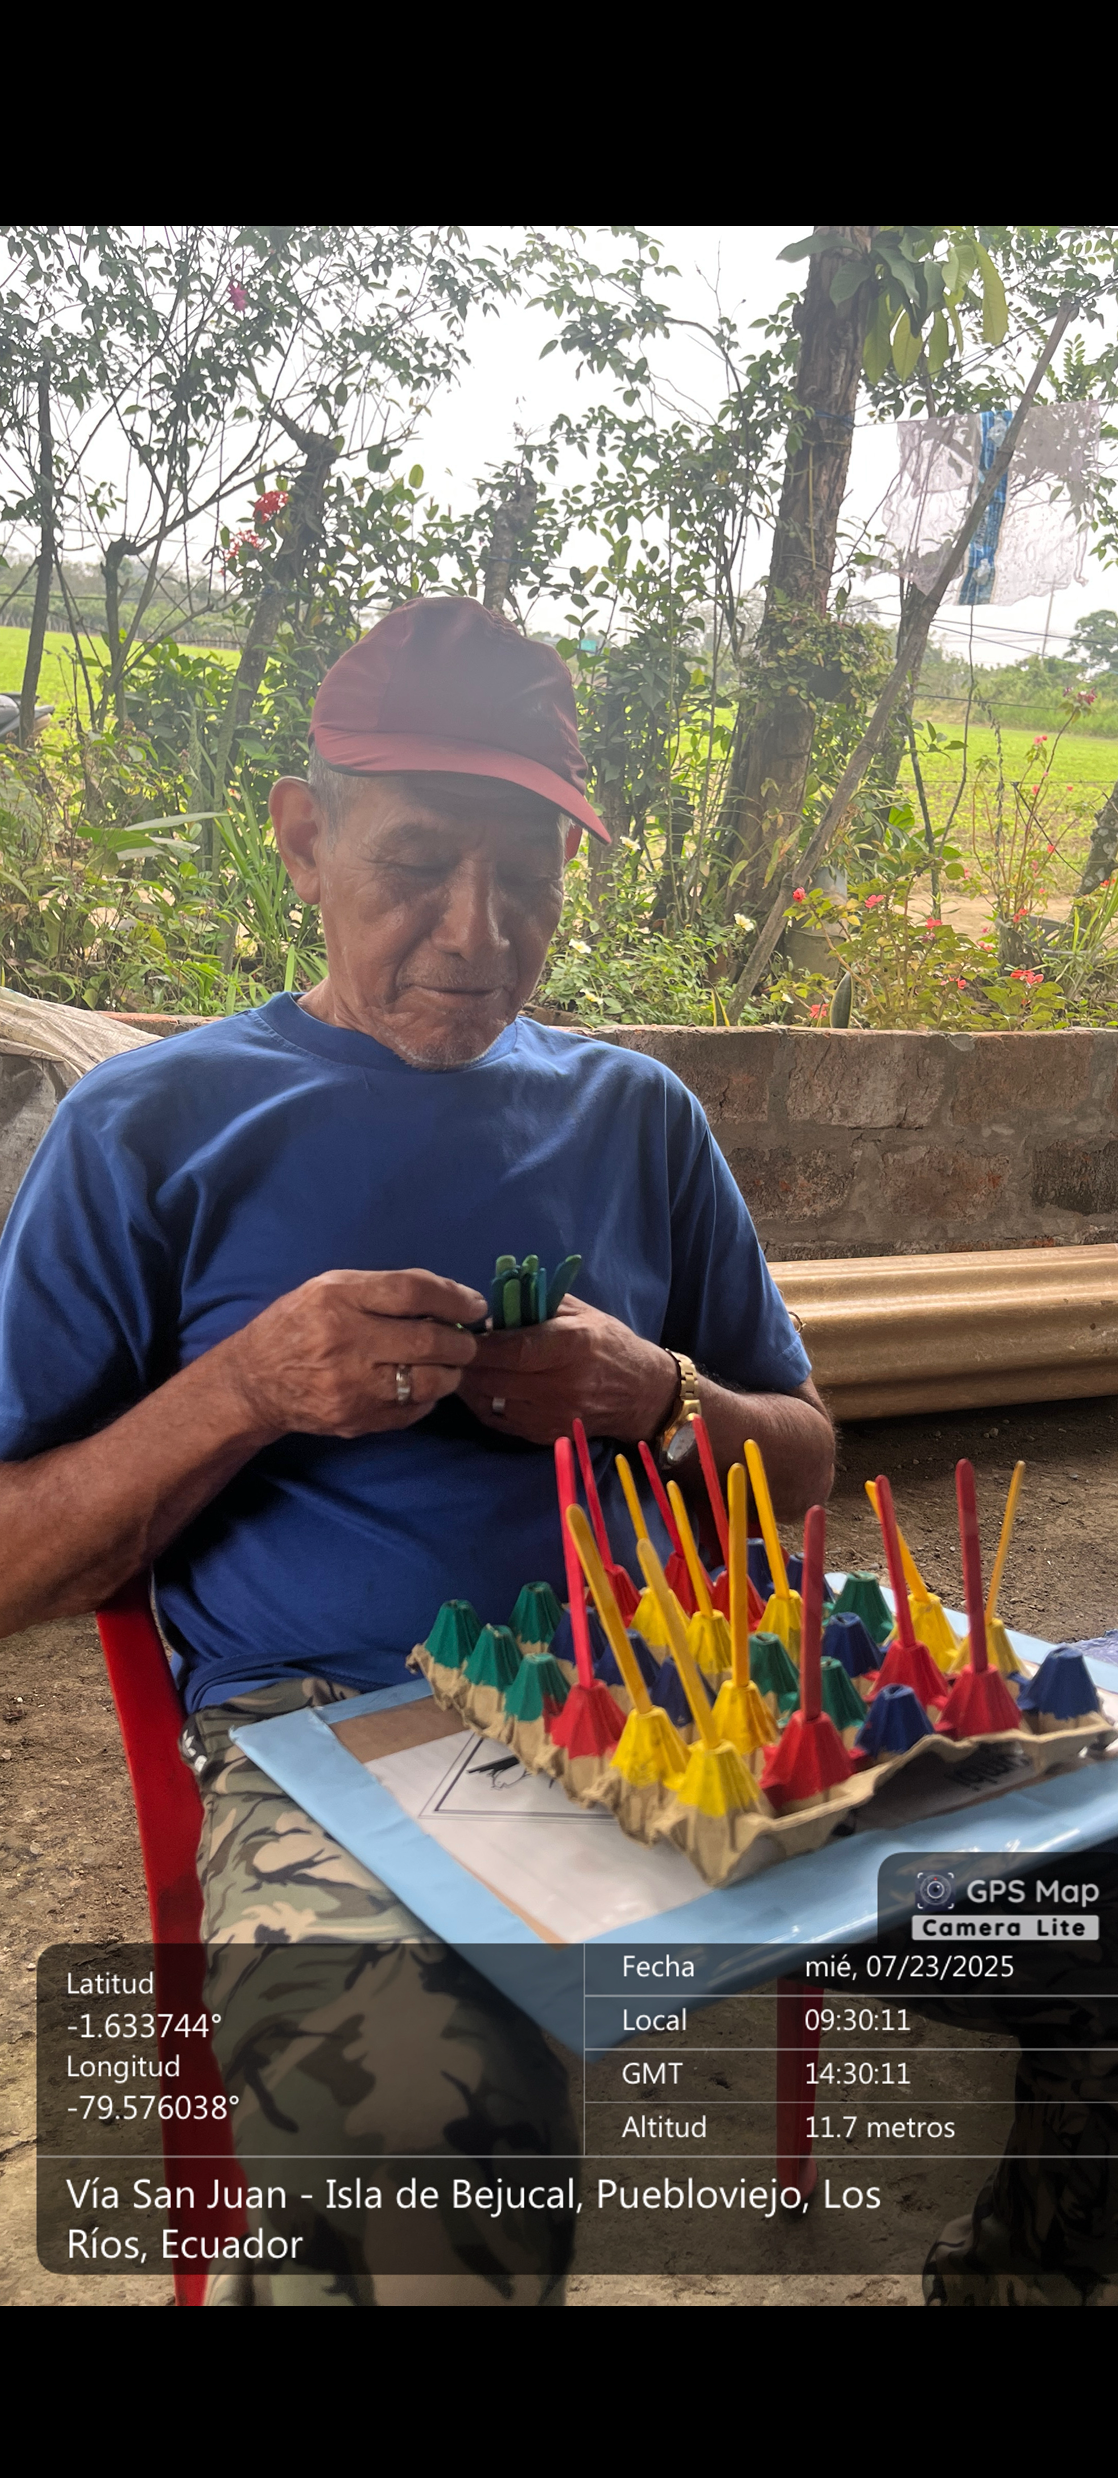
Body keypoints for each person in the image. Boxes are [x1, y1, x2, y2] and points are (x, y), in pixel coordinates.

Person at [0, 597, 833, 2304]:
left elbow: (802, 1462)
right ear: (303, 838)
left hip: (674, 1695)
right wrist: (241, 1391)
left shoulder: (635, 1115)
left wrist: (659, 1396)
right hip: (344, 1740)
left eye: (525, 873)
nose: (478, 931)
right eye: (417, 862)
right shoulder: (150, 1125)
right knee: (400, 2154)